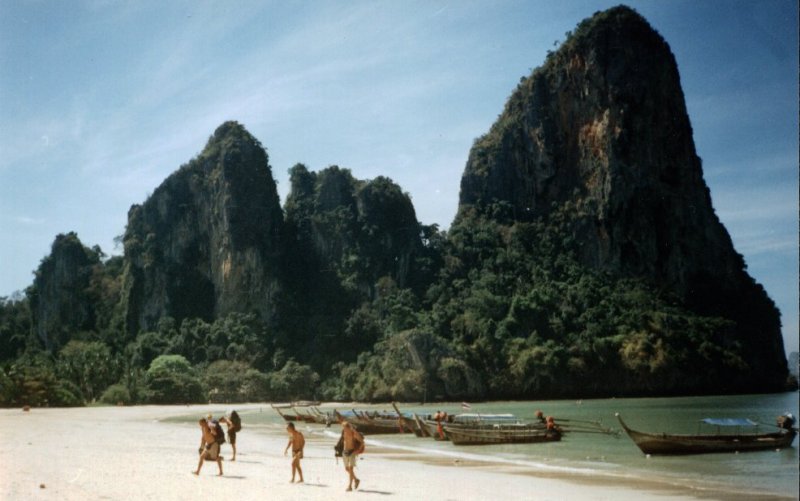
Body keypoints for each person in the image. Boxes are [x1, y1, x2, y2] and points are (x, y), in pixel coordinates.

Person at [340, 422, 363, 491]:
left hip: (352, 452)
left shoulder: (353, 433)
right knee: (347, 469)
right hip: (345, 452)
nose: (343, 429)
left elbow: (362, 441)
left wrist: (358, 450)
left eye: (344, 427)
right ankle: (356, 480)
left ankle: (350, 486)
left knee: (350, 469)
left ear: (348, 427)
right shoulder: (344, 432)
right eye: (343, 427)